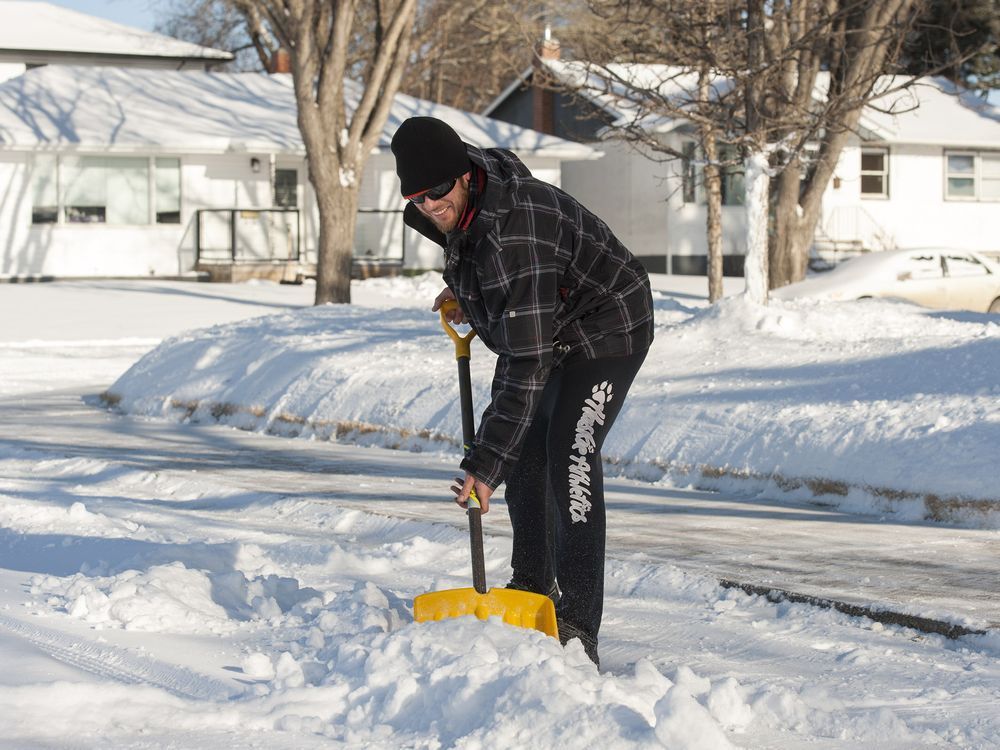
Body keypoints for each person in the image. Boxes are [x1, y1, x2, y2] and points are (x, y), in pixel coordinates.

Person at [390, 116, 653, 668]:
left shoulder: (518, 228)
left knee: (569, 454)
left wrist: (484, 465)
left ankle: (579, 621)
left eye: (438, 192)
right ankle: (532, 588)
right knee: (526, 452)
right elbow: (486, 262)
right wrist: (468, 290)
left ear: (463, 175)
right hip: (549, 325)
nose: (430, 207)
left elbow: (524, 358)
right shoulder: (469, 201)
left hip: (608, 325)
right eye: (416, 198)